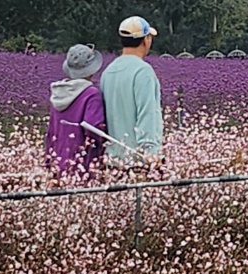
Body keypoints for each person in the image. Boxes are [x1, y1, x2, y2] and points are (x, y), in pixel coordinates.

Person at [101, 15, 164, 165]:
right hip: (137, 159)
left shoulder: (108, 72)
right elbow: (148, 113)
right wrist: (151, 152)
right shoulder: (143, 71)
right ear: (145, 40)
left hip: (112, 159)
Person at [45, 44, 106, 178]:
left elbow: (51, 131)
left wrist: (49, 161)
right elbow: (93, 129)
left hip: (58, 161)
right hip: (82, 163)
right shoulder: (91, 94)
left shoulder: (59, 92)